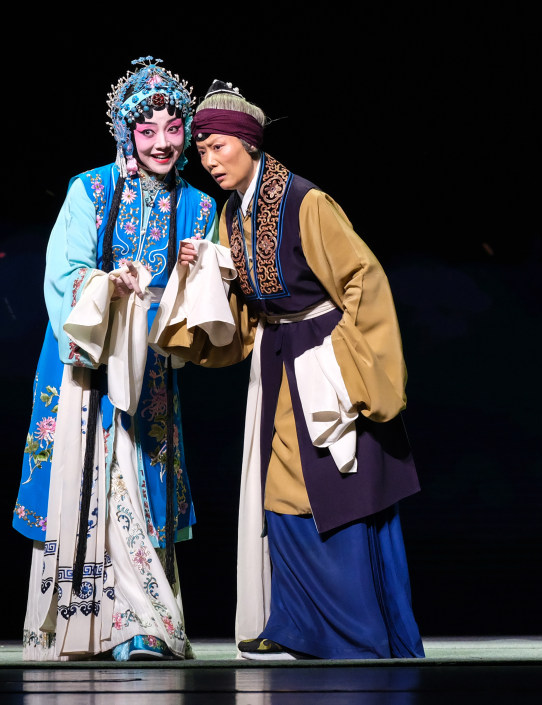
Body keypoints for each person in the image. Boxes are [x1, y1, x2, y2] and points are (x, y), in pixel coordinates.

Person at [163, 80, 425, 660]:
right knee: (283, 487)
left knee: (335, 484)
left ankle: (357, 633)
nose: (210, 161)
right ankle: (298, 625)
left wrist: (347, 363)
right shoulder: (232, 212)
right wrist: (206, 267)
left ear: (250, 143)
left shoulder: (307, 202)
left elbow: (363, 278)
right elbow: (245, 299)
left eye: (219, 147)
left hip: (325, 355)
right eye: (202, 152)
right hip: (278, 354)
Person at [12, 57, 218, 662]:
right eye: (147, 131)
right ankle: (87, 627)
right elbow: (64, 275)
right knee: (89, 480)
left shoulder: (200, 207)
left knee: (140, 483)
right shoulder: (91, 189)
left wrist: (198, 269)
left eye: (173, 129)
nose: (162, 143)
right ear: (127, 133)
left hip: (149, 369)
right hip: (86, 363)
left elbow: (208, 304)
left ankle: (141, 624)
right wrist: (109, 285)